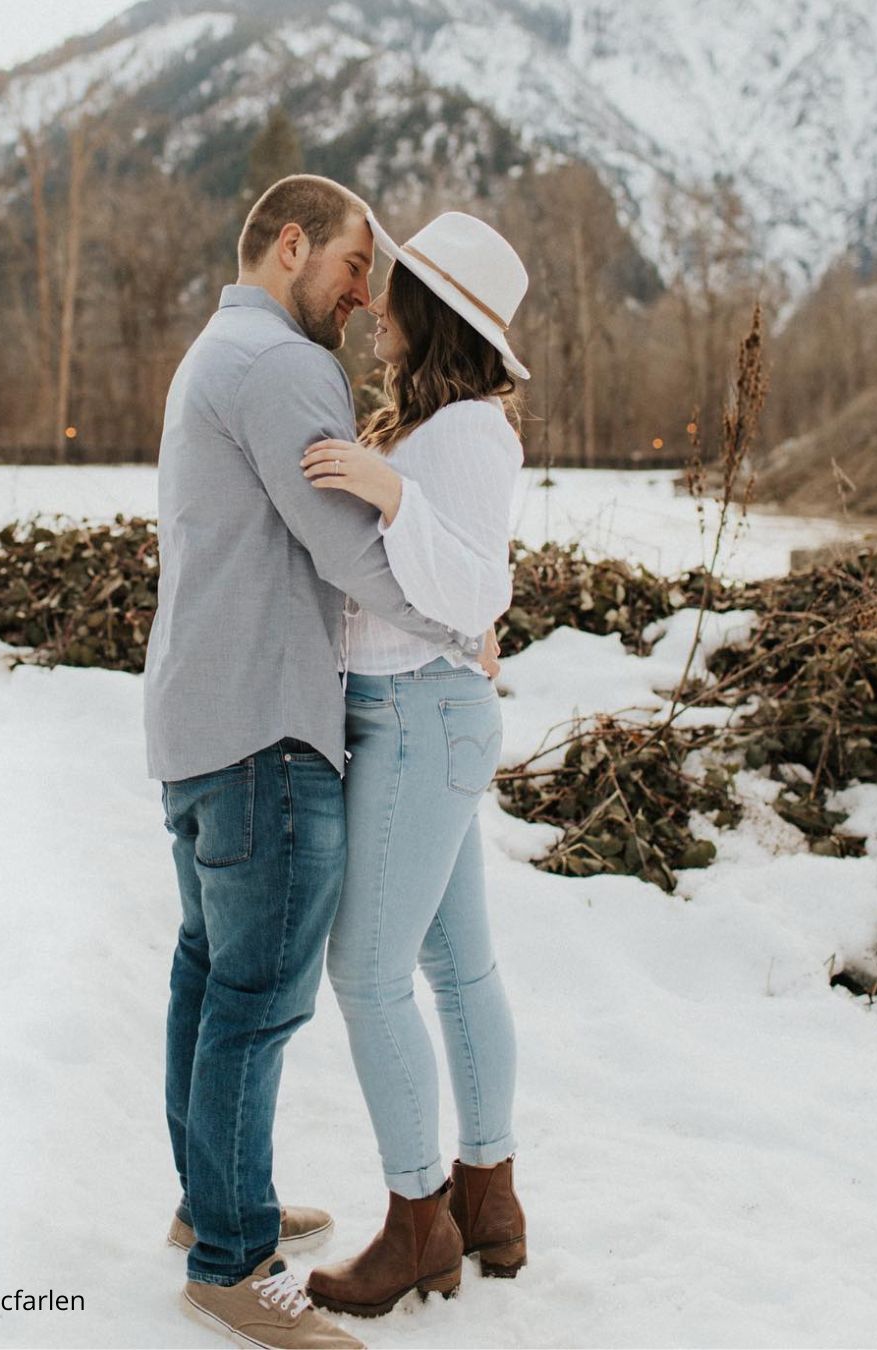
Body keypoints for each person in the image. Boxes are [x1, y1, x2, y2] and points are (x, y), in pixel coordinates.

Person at [143, 175, 488, 1350]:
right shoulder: (288, 370)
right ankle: (235, 1267)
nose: (360, 294)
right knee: (259, 998)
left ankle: (213, 1203)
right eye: (350, 264)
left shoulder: (211, 353)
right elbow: (347, 551)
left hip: (196, 722)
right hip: (264, 729)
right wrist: (462, 623)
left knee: (208, 977)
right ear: (290, 243)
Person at [298, 212, 530, 1318]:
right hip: (427, 710)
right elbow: (471, 588)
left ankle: (417, 1222)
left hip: (419, 718)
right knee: (457, 965)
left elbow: (473, 587)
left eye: (394, 290)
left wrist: (389, 496)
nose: (376, 307)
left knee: (369, 972)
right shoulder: (445, 426)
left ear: (434, 311)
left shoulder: (469, 433)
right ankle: (487, 1200)